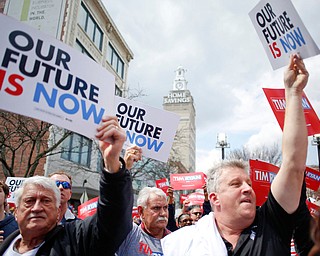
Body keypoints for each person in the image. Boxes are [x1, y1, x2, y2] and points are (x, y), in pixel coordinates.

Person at [161, 54, 310, 255]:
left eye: (248, 183)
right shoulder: (182, 243)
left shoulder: (272, 223)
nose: (248, 188)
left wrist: (293, 93)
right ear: (214, 198)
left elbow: (293, 164)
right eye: (235, 184)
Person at [0, 116, 133, 256]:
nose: (37, 207)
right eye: (29, 201)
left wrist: (112, 162)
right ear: (16, 212)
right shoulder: (7, 242)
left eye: (46, 201)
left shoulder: (75, 240)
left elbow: (113, 219)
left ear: (58, 212)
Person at [116, 186, 171, 255]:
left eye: (165, 208)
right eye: (156, 208)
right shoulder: (130, 235)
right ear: (141, 211)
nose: (163, 213)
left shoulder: (177, 241)